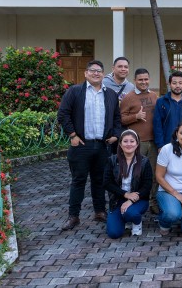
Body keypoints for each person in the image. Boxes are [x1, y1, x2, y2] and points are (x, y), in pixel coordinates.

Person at [58, 60, 122, 231]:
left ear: (103, 74)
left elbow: (117, 117)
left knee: (100, 181)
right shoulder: (75, 91)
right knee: (78, 180)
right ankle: (74, 216)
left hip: (102, 145)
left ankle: (100, 212)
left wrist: (116, 135)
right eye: (92, 70)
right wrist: (72, 134)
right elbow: (63, 114)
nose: (96, 73)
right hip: (81, 145)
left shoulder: (110, 94)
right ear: (86, 73)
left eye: (99, 71)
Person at [120, 68, 159, 214]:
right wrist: (135, 117)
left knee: (154, 174)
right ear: (135, 80)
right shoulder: (128, 97)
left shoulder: (154, 96)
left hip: (153, 142)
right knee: (136, 174)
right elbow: (121, 119)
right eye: (140, 80)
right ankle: (134, 202)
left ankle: (153, 202)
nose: (143, 82)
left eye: (146, 79)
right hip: (136, 144)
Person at [103, 129, 152, 238]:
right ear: (120, 144)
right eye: (125, 141)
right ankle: (123, 218)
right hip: (117, 200)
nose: (129, 144)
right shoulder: (112, 160)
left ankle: (136, 222)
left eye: (132, 141)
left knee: (131, 213)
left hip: (139, 199)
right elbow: (107, 183)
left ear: (137, 143)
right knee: (114, 233)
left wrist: (130, 200)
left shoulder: (144, 162)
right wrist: (125, 194)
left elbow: (147, 186)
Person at [153, 71, 182, 150]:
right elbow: (157, 125)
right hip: (166, 145)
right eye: (174, 83)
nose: (177, 86)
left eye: (180, 83)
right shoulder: (161, 102)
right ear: (169, 84)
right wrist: (160, 146)